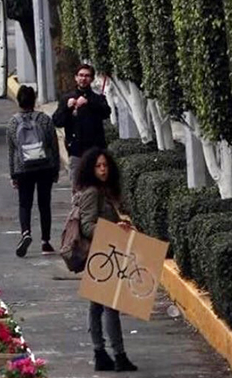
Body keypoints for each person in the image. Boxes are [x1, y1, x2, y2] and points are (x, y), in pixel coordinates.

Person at [75, 147, 138, 372]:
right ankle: (118, 354)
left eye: (105, 165)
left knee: (96, 306)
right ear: (90, 169)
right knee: (110, 307)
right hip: (100, 254)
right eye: (98, 166)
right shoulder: (93, 192)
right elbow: (87, 226)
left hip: (106, 252)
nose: (103, 170)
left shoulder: (105, 190)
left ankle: (100, 352)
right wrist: (113, 228)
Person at [7, 86, 60, 257]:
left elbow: (12, 151)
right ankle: (45, 241)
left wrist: (13, 174)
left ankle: (26, 233)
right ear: (34, 100)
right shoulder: (44, 119)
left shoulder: (13, 122)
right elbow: (53, 145)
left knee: (25, 204)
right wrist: (56, 169)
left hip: (23, 168)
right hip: (45, 167)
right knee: (44, 204)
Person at [52, 64, 112, 186]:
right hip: (76, 152)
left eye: (87, 76)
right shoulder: (67, 98)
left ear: (92, 79)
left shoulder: (97, 98)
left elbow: (106, 112)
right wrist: (67, 108)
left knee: (99, 188)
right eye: (80, 75)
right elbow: (57, 121)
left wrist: (88, 103)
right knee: (78, 188)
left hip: (96, 151)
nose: (83, 79)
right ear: (75, 77)